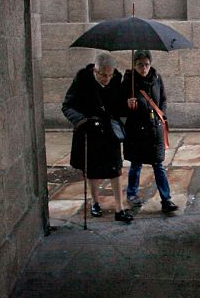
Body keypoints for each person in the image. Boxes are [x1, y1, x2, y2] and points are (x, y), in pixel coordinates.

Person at [62, 52, 134, 223]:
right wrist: (82, 120)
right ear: (95, 70)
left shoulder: (117, 79)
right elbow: (68, 105)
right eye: (103, 75)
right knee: (92, 171)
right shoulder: (82, 78)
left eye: (110, 74)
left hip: (110, 132)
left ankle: (119, 208)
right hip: (89, 132)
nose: (107, 78)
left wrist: (128, 105)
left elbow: (119, 107)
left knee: (115, 169)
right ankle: (95, 202)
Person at [122, 50, 179, 213]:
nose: (144, 68)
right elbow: (119, 104)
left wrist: (162, 115)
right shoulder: (128, 81)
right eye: (140, 65)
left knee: (158, 164)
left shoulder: (156, 78)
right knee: (136, 163)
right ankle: (132, 195)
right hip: (136, 130)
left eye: (147, 64)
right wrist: (128, 103)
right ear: (134, 65)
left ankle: (166, 199)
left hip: (154, 129)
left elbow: (163, 99)